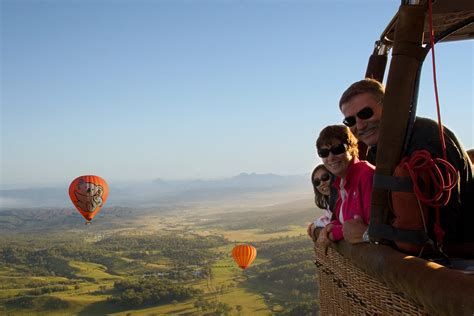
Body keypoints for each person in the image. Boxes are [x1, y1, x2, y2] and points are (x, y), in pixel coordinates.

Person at [338, 78, 474, 250]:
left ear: (389, 105)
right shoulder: (379, 151)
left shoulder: (426, 139)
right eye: (350, 121)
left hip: (458, 255)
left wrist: (369, 235)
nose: (360, 125)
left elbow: (443, 222)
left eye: (366, 113)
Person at [315, 125, 375, 251]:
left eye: (338, 149)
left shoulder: (366, 175)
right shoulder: (341, 183)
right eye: (324, 153)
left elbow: (374, 229)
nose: (331, 157)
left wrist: (338, 232)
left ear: (352, 149)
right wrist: (330, 228)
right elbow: (346, 221)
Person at [307, 164, 337, 240]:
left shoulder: (344, 198)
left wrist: (316, 224)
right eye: (317, 182)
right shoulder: (329, 202)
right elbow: (328, 217)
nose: (322, 183)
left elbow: (333, 223)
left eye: (325, 177)